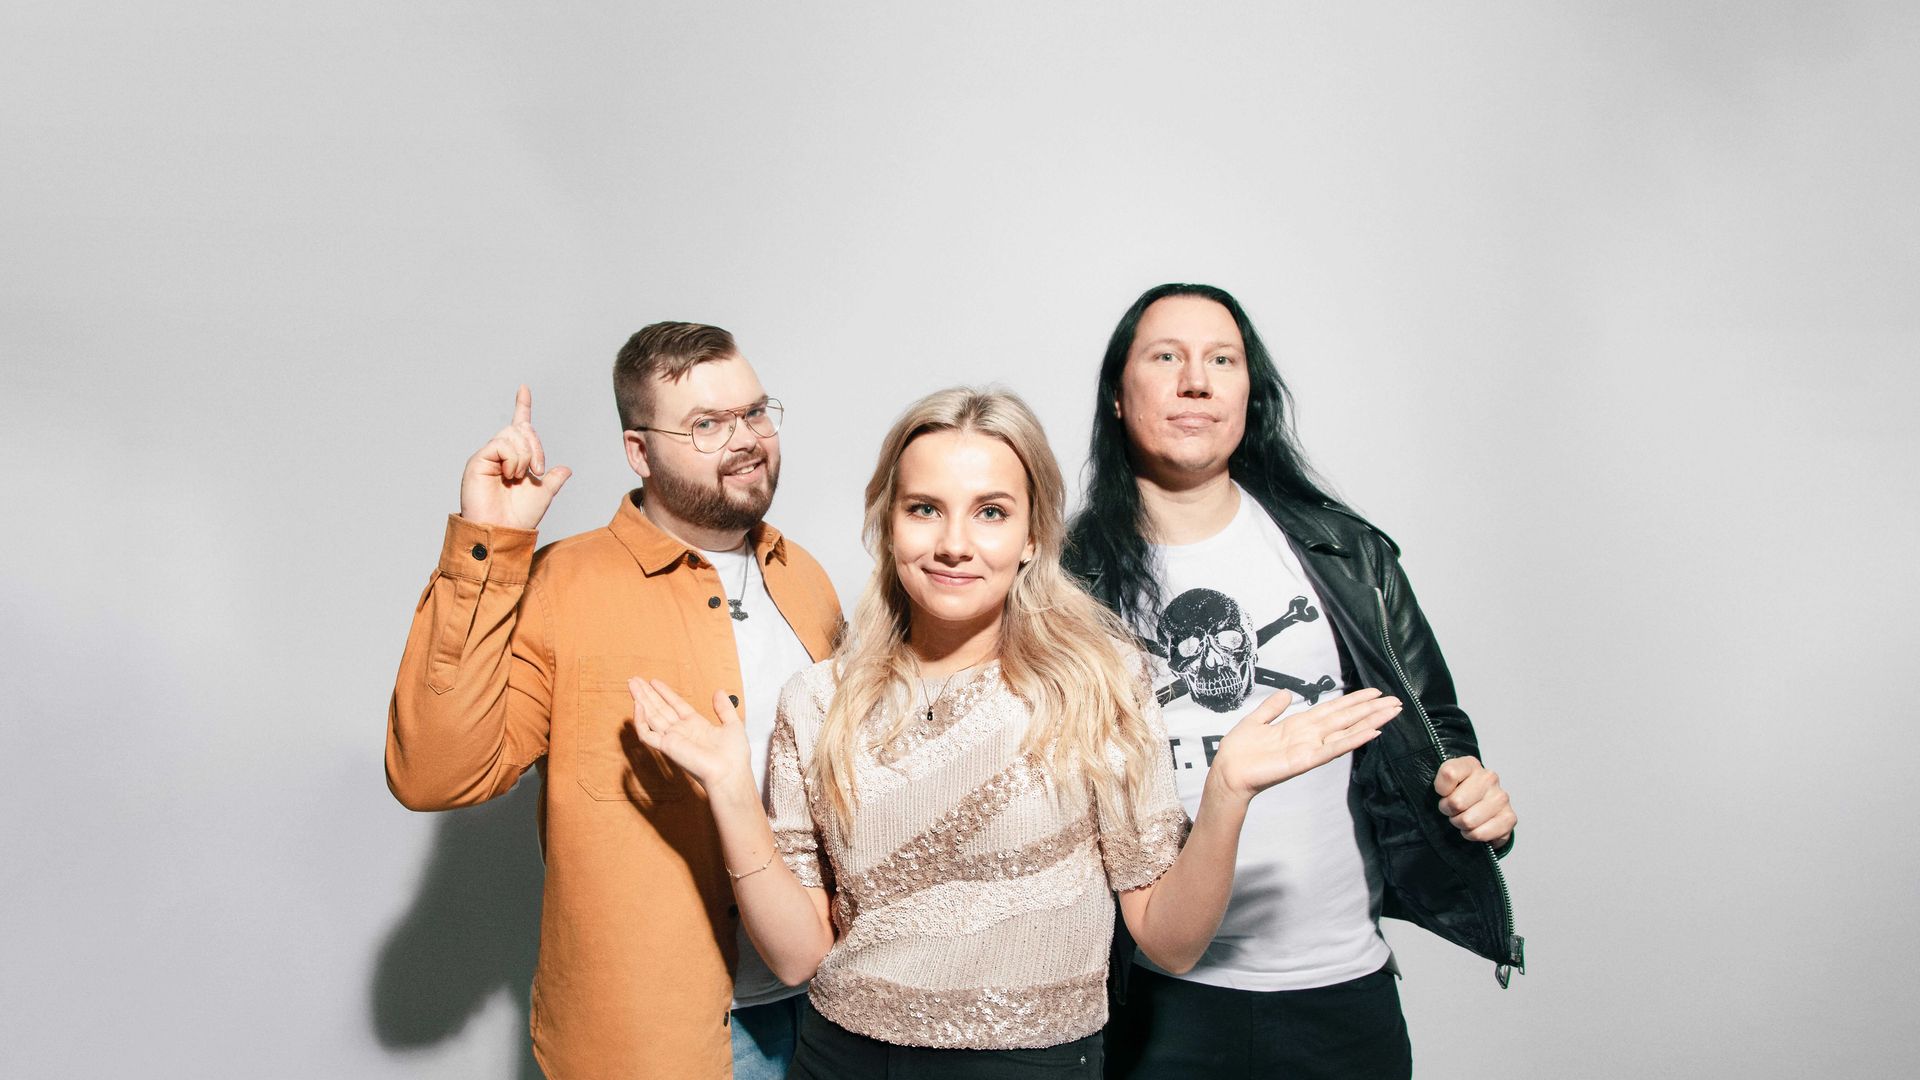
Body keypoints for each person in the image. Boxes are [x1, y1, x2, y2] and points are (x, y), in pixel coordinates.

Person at [626, 388, 1402, 1079]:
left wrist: (1228, 793)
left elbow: (1169, 942)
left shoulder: (1098, 684)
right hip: (840, 1057)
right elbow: (798, 956)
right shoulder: (819, 701)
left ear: (1033, 535)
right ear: (889, 524)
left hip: (1033, 1064)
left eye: (991, 512)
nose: (954, 543)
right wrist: (731, 791)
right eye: (924, 508)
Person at [1064, 283, 1525, 1079]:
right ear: (1117, 394)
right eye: (1166, 357)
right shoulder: (1066, 583)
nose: (1195, 381)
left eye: (1222, 360)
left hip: (1342, 995)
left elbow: (1432, 724)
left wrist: (1470, 794)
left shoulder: (1343, 553)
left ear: (1250, 393)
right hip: (1154, 1000)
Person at [385, 322, 841, 1079]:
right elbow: (435, 774)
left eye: (756, 413)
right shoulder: (562, 585)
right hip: (652, 1039)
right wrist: (487, 544)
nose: (746, 440)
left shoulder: (807, 578)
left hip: (825, 1014)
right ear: (639, 451)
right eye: (706, 424)